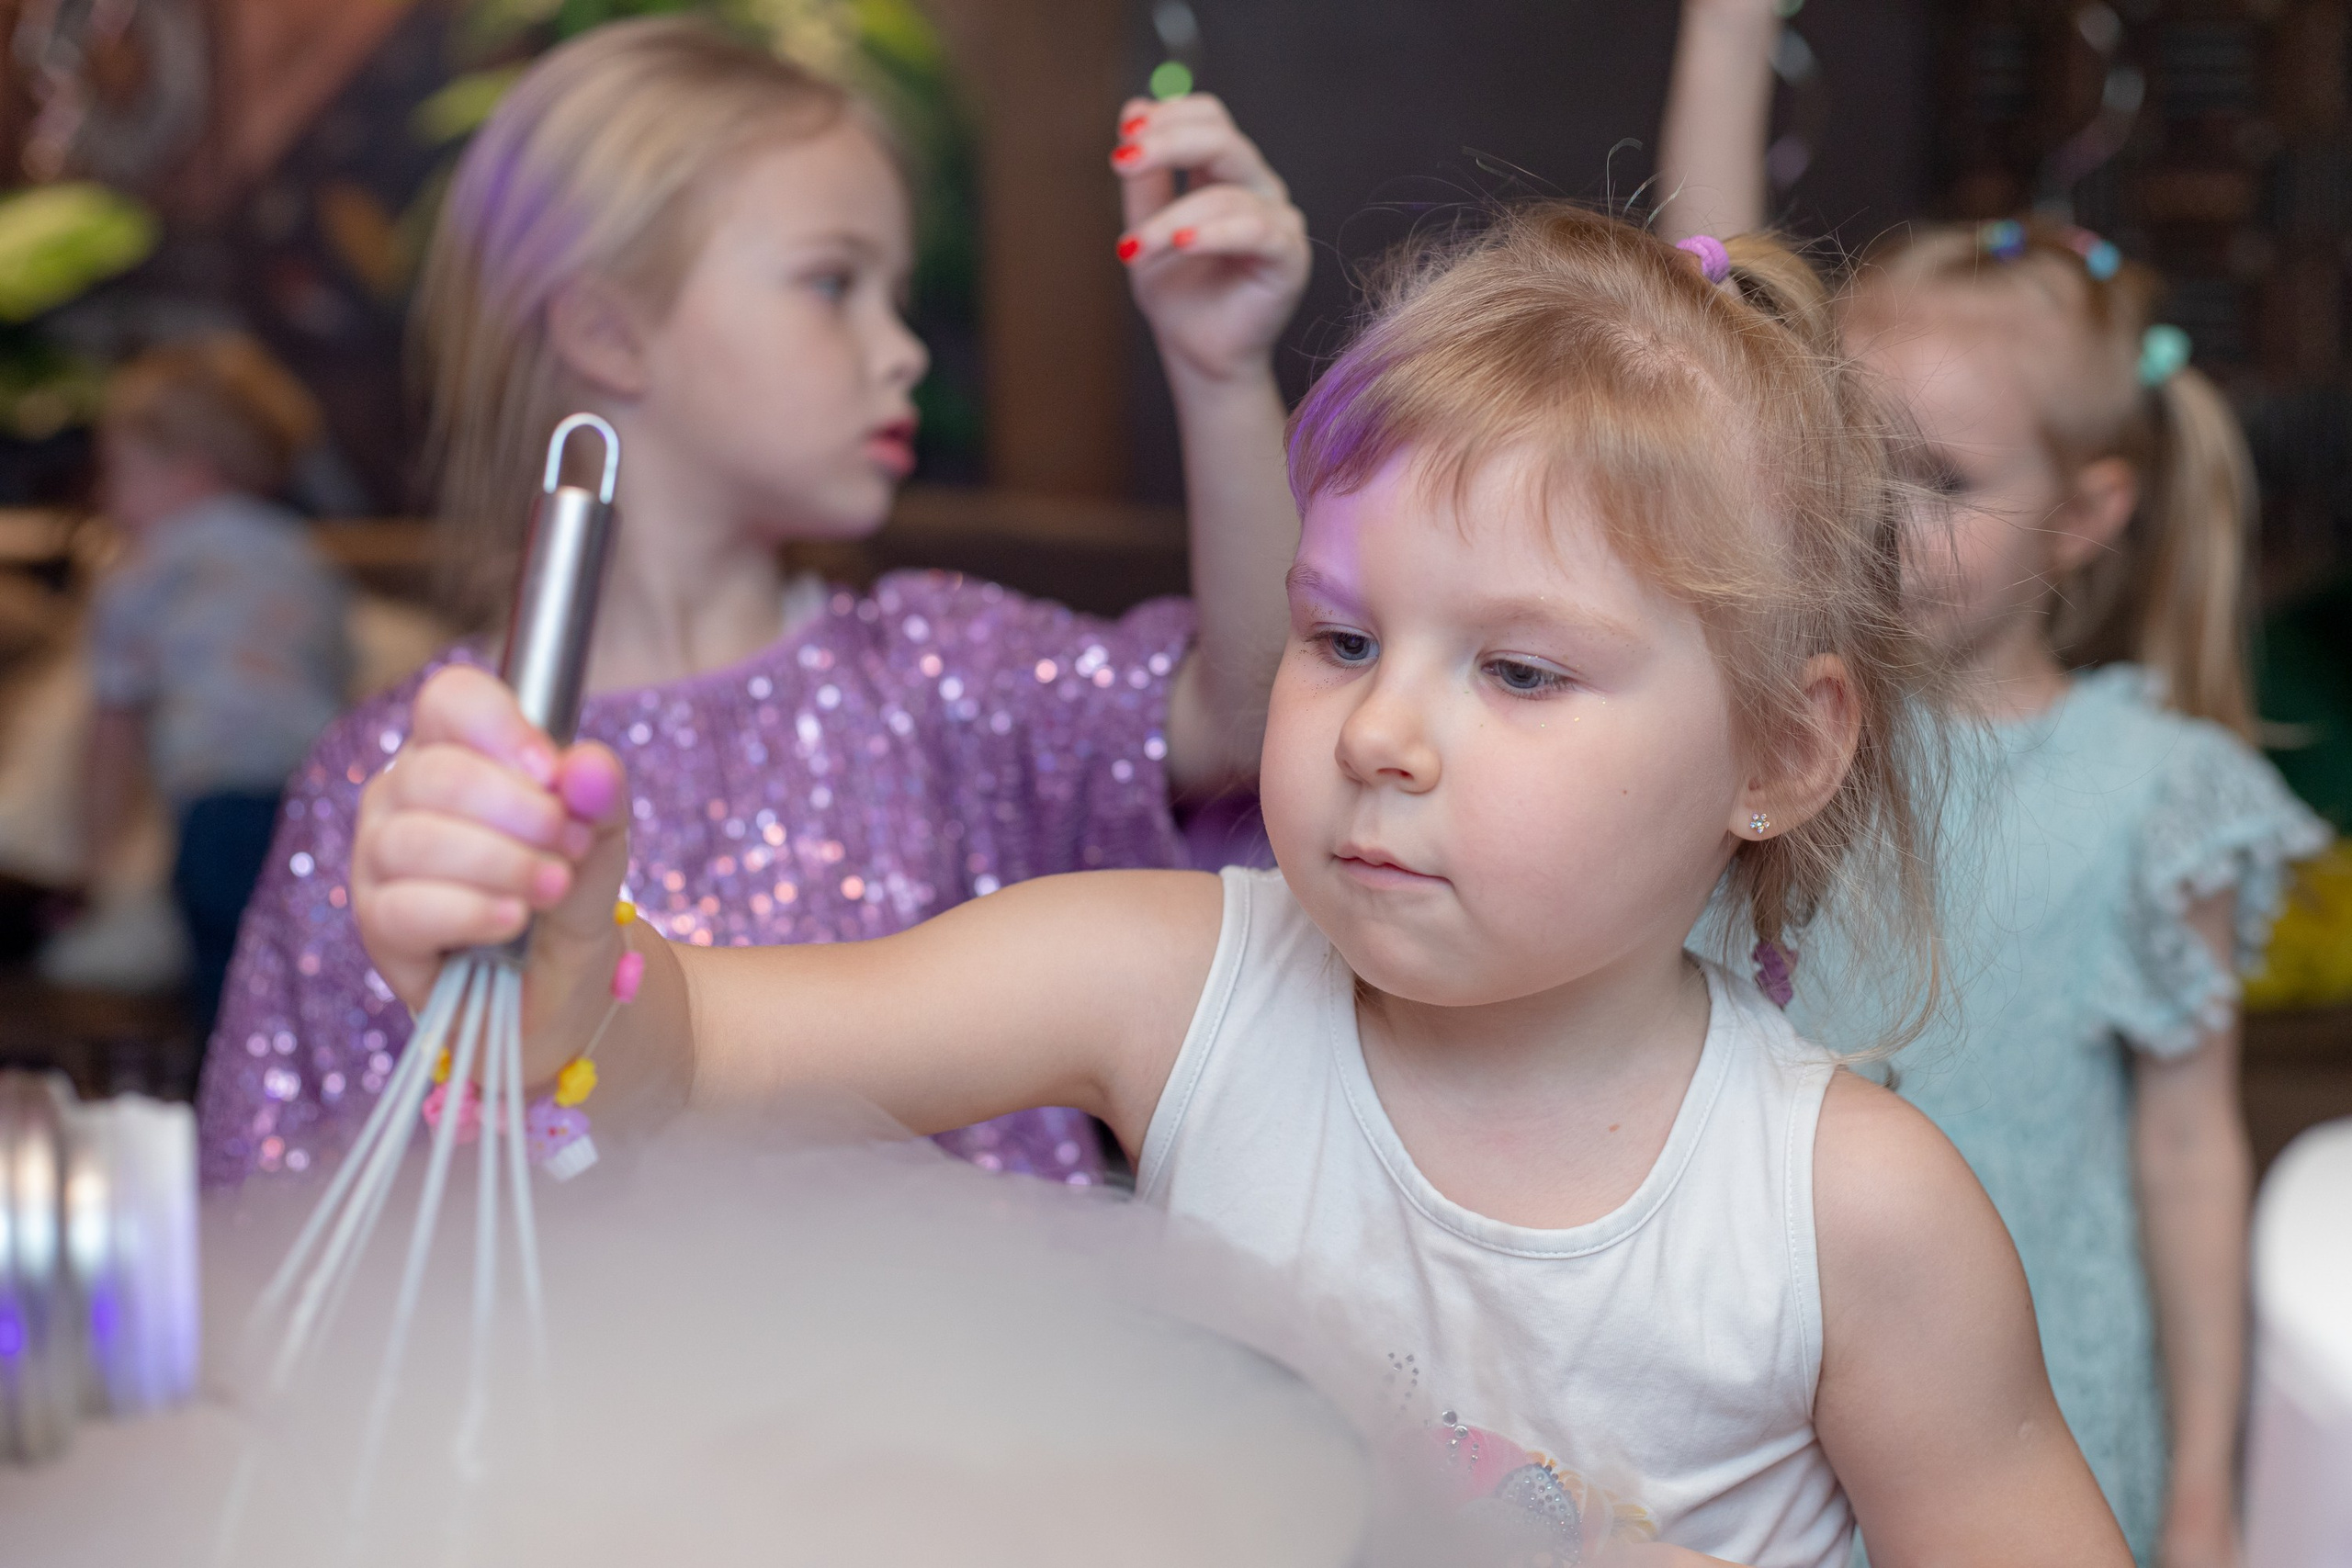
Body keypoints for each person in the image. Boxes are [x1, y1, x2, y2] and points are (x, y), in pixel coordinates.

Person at [353, 206, 2133, 1568]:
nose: (1383, 733)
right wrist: (563, 963)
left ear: (1775, 752)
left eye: (1517, 672)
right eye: (1340, 636)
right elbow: (709, 1053)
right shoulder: (1158, 977)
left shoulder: (1850, 1209)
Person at [196, 18, 1310, 1187]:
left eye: (895, 291)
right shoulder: (399, 785)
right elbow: (268, 1201)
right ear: (607, 328)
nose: (903, 351)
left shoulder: (938, 669)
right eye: (833, 283)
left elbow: (1256, 719)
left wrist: (1221, 372)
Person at [1657, 8, 2332, 1564]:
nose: (1889, 517)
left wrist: (2213, 1481)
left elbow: (2187, 1149)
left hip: (2042, 1389)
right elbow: (1703, 297)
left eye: (1947, 479)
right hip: (1758, 1361)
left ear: (2089, 512)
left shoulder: (2162, 789)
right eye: (1864, 458)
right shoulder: (1774, 730)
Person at [83, 333, 352, 1042]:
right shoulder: (306, 556)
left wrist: (98, 855)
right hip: (324, 803)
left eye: (120, 471)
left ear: (190, 471)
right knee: (309, 981)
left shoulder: (142, 571)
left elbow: (114, 724)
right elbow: (339, 679)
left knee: (226, 987)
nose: (109, 497)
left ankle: (230, 1120)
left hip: (220, 806)